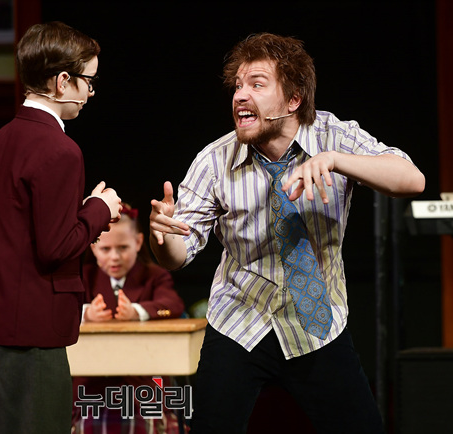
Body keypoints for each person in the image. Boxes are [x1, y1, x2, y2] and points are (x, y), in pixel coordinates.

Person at [149, 33, 425, 433]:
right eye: (237, 86)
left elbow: (412, 179)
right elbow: (178, 255)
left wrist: (335, 161)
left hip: (316, 322)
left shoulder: (333, 135)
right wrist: (163, 237)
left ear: (293, 99)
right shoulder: (214, 160)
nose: (240, 96)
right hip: (240, 320)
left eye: (256, 84)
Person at [0, 21, 122, 433]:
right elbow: (54, 248)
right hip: (29, 324)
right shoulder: (59, 149)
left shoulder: (1, 140)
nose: (91, 94)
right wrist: (99, 209)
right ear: (62, 82)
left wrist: (81, 211)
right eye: (89, 82)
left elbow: (22, 229)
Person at [73, 203, 184, 433]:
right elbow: (58, 310)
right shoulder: (83, 277)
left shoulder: (154, 276)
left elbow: (173, 305)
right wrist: (85, 313)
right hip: (93, 383)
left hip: (143, 380)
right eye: (106, 249)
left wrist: (137, 312)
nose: (115, 257)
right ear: (93, 246)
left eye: (123, 248)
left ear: (138, 242)